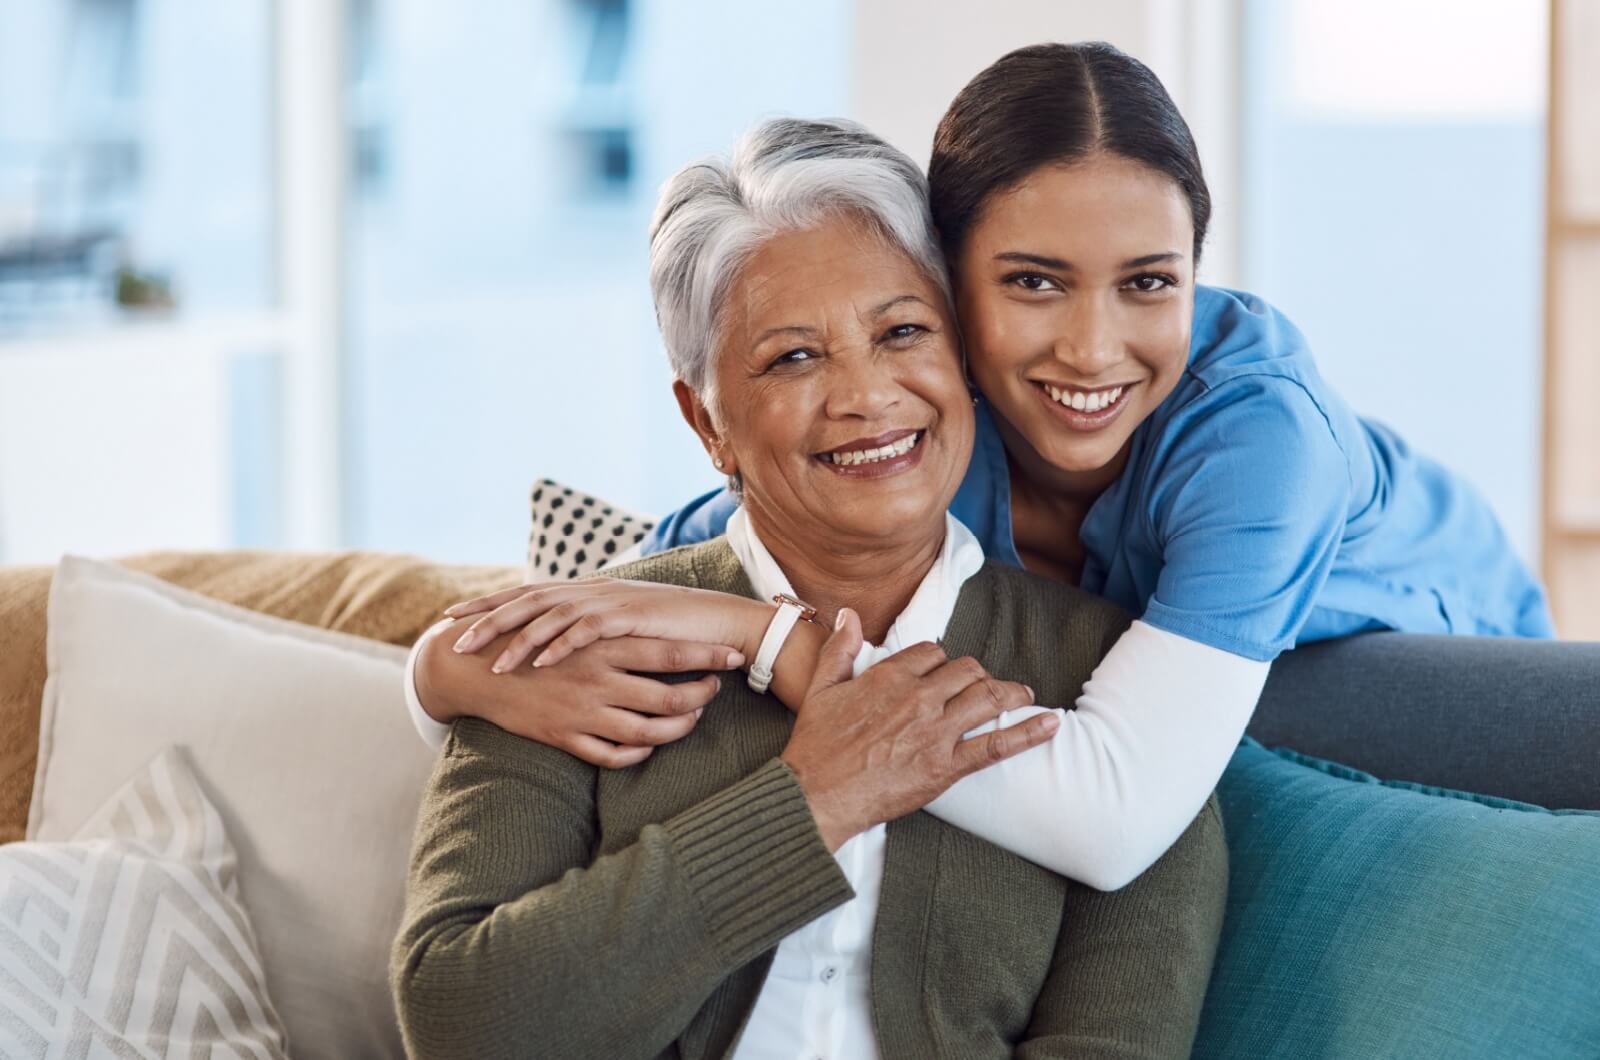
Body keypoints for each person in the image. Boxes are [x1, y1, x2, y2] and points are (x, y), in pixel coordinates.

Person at [433, 41, 1552, 888]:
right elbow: (659, 572)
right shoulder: (927, 423)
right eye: (1032, 282)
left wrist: (760, 640)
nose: (1092, 347)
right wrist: (437, 673)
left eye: (1150, 281)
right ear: (947, 287)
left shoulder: (1255, 435)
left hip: (1429, 672)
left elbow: (1108, 821)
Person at [393, 117, 1226, 1060]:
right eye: (794, 357)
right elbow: (459, 1022)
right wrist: (814, 799)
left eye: (903, 332)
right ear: (707, 421)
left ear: (965, 357)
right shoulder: (579, 643)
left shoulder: (1112, 692)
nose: (866, 397)